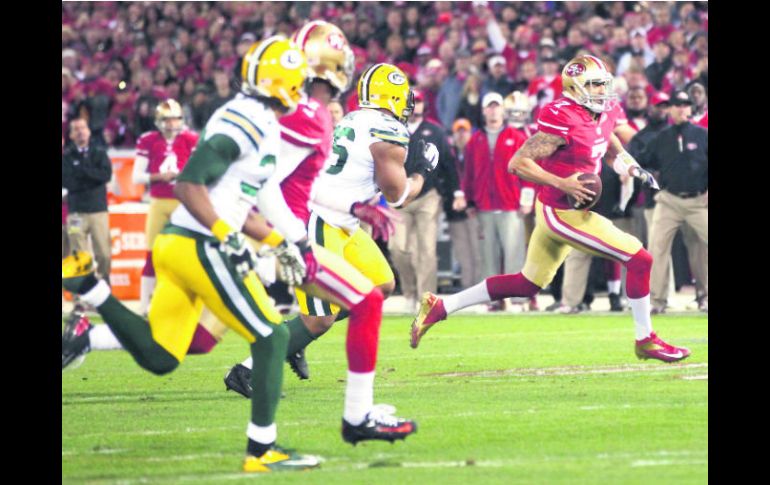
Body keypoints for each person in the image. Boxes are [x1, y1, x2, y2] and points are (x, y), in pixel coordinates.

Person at [63, 36, 329, 474]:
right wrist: (225, 235)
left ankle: (90, 287)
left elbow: (257, 199)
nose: (300, 93)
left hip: (184, 243)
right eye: (297, 84)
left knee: (161, 356)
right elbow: (188, 185)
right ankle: (262, 451)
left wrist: (286, 241)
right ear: (284, 85)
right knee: (273, 336)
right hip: (200, 245)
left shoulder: (259, 119)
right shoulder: (247, 118)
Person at [410, 55, 691, 364]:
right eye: (595, 85)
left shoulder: (606, 109)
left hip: (565, 209)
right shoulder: (562, 116)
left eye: (604, 84)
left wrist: (630, 164)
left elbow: (606, 137)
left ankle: (440, 307)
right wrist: (564, 184)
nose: (602, 91)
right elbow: (518, 163)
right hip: (561, 212)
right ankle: (645, 339)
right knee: (640, 259)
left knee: (526, 283)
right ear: (577, 87)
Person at [389, 89, 462, 312]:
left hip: (428, 195)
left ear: (424, 105)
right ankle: (409, 291)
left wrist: (457, 192)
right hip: (399, 196)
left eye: (418, 101)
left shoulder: (435, 131)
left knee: (427, 250)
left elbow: (449, 164)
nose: (415, 105)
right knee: (398, 248)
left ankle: (425, 298)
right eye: (411, 102)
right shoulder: (392, 129)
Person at [463, 92, 531, 312]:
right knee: (488, 256)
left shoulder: (517, 137)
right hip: (484, 206)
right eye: (489, 107)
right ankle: (491, 299)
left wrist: (527, 199)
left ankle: (518, 300)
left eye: (496, 107)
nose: (493, 111)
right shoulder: (475, 140)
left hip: (511, 205)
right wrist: (470, 202)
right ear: (484, 111)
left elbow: (529, 170)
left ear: (503, 109)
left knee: (514, 254)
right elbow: (468, 173)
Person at [640, 89, 708, 313]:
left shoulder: (702, 134)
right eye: (676, 104)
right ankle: (657, 301)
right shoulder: (661, 137)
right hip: (669, 200)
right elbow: (643, 162)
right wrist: (651, 179)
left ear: (690, 108)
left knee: (701, 250)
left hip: (699, 200)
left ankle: (704, 296)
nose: (681, 108)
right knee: (657, 248)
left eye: (685, 104)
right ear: (669, 109)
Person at [132, 99, 199, 315]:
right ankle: (144, 305)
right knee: (151, 254)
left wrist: (185, 176)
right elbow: (136, 177)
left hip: (184, 203)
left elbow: (202, 171)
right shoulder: (148, 140)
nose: (172, 124)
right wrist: (160, 176)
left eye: (176, 119)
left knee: (188, 254)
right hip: (159, 202)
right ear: (159, 121)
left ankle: (187, 302)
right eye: (168, 119)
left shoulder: (190, 139)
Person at [62, 118, 113, 281]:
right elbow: (67, 181)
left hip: (98, 210)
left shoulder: (99, 152)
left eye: (83, 128)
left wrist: (82, 171)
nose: (80, 132)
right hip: (76, 212)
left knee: (104, 254)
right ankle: (82, 296)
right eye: (76, 129)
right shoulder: (67, 156)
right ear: (70, 135)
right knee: (79, 256)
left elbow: (106, 175)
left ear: (89, 131)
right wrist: (92, 177)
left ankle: (104, 283)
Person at [446, 118, 482, 290]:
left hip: (473, 210)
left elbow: (479, 180)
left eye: (465, 131)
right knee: (464, 255)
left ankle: (479, 290)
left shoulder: (476, 152)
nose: (461, 135)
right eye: (458, 131)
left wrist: (471, 202)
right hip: (454, 213)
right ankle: (468, 289)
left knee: (478, 252)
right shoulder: (448, 154)